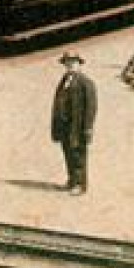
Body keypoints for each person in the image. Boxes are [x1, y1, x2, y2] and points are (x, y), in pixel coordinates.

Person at [49, 50, 98, 195]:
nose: (70, 65)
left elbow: (91, 107)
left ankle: (80, 185)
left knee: (78, 155)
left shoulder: (86, 82)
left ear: (79, 64)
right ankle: (71, 180)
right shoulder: (64, 80)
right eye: (67, 62)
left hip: (77, 126)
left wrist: (88, 127)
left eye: (73, 62)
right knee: (68, 153)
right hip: (65, 126)